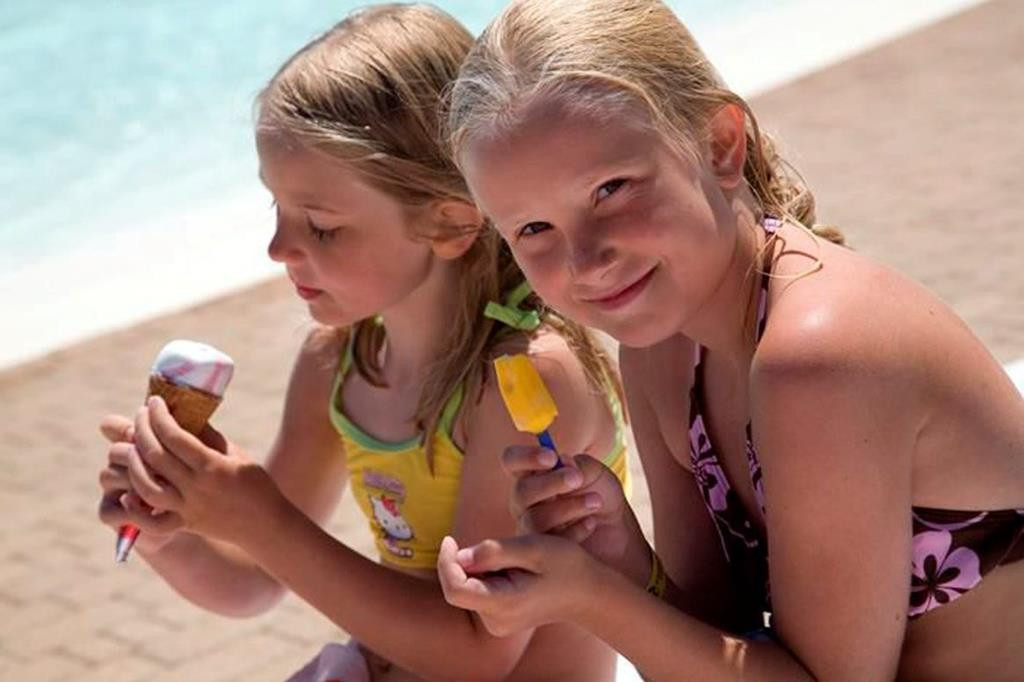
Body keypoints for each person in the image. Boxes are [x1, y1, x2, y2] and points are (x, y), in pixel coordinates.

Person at [435, 0, 1024, 679]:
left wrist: (593, 600)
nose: (587, 260)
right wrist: (618, 556)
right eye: (534, 229)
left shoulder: (820, 355)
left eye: (611, 188)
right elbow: (716, 637)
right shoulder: (663, 353)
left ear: (719, 145)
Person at [96, 4, 630, 680]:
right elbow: (252, 582)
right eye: (277, 209)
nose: (278, 248)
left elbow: (476, 647)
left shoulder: (524, 382)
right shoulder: (338, 362)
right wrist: (169, 525)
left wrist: (259, 517)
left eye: (321, 225)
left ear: (449, 223)